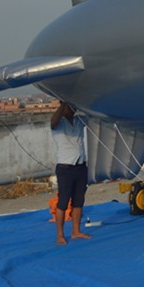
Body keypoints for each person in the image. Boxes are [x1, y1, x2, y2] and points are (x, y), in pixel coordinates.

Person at [50, 100, 91, 245]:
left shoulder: (79, 120)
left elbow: (92, 115)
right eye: (70, 107)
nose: (72, 109)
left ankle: (76, 231)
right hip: (66, 168)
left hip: (80, 167)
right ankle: (60, 235)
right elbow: (52, 121)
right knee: (63, 201)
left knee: (79, 201)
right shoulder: (58, 124)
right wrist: (63, 104)